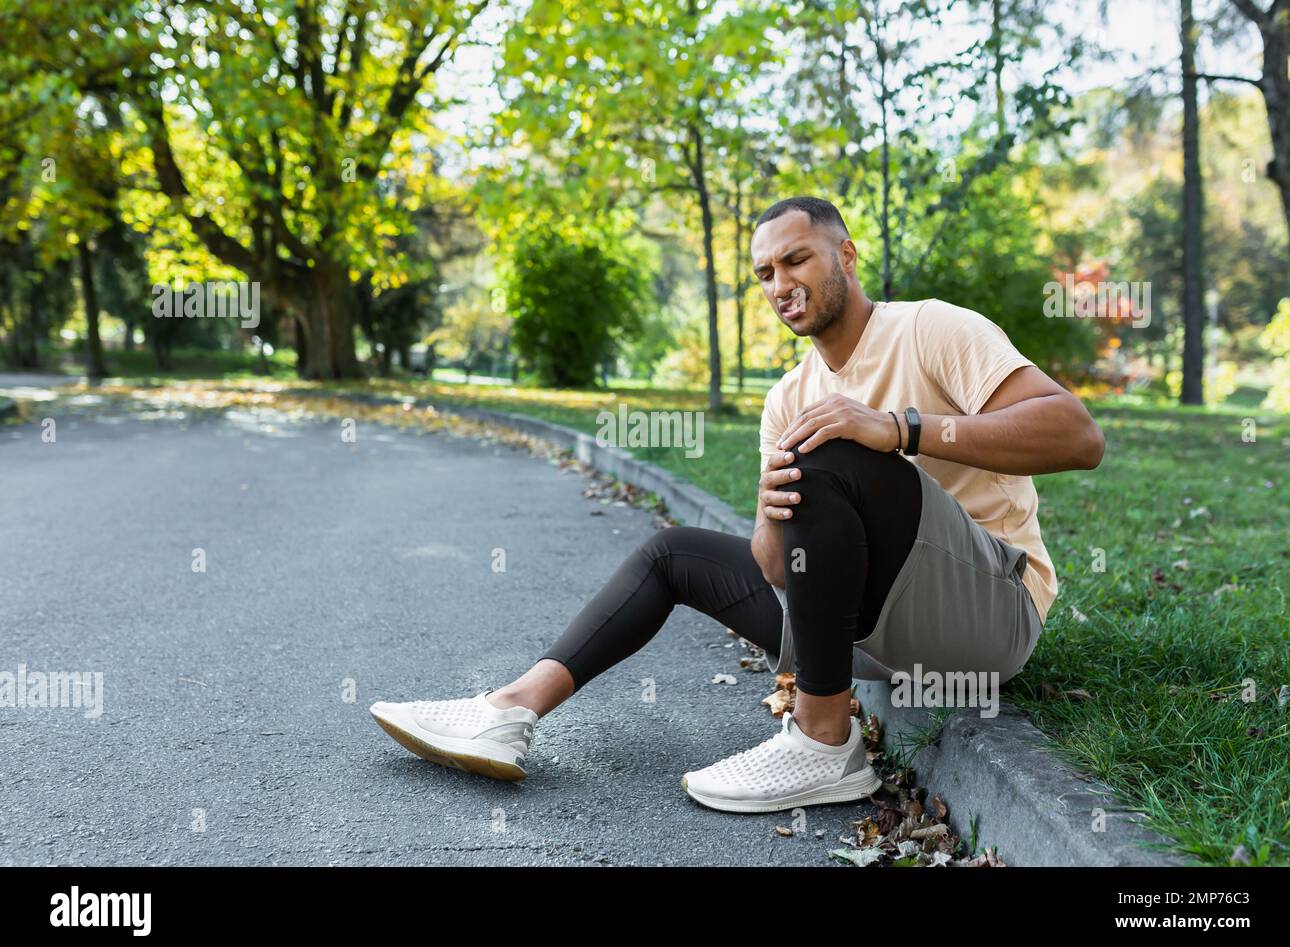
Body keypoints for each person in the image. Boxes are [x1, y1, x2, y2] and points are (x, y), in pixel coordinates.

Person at [370, 195, 1105, 814]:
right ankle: (510, 711)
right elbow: (777, 570)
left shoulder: (930, 328)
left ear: (846, 257)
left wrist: (898, 428)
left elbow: (1077, 436)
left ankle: (823, 745)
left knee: (831, 446)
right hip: (884, 636)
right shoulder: (788, 397)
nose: (780, 282)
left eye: (797, 260)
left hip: (989, 615)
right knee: (674, 554)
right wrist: (773, 511)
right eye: (764, 273)